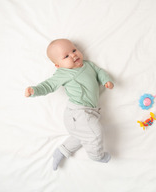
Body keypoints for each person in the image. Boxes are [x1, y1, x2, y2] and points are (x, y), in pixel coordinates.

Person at [25, 39, 114, 171]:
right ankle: (96, 155)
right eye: (66, 56)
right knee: (95, 133)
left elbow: (100, 72)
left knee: (82, 136)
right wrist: (35, 90)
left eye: (73, 50)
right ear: (58, 65)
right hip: (78, 113)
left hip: (88, 112)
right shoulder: (63, 73)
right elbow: (49, 85)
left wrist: (106, 80)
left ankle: (62, 151)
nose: (73, 55)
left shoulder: (89, 65)